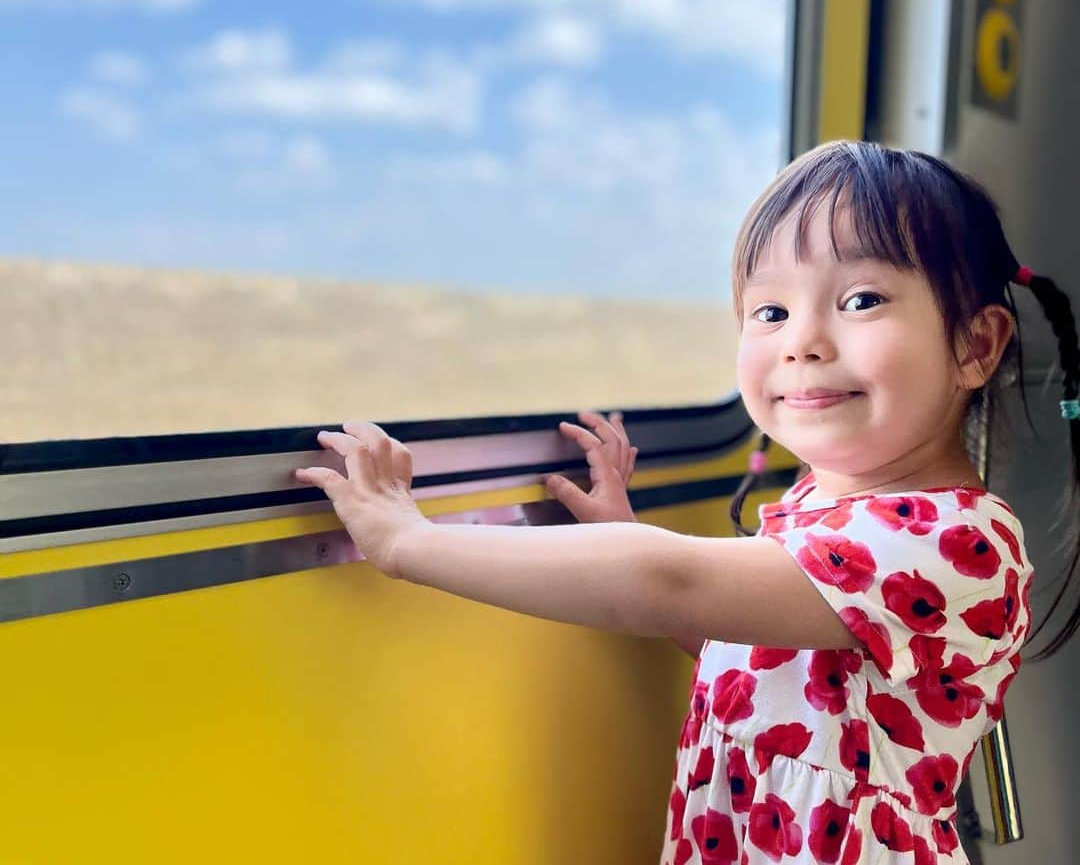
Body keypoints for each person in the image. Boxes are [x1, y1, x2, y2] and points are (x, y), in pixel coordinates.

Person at [295, 140, 1080, 864]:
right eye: (769, 311)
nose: (800, 340)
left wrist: (408, 542)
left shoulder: (949, 541)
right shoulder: (817, 507)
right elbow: (754, 654)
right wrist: (619, 531)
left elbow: (675, 581)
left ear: (975, 346)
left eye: (863, 299)